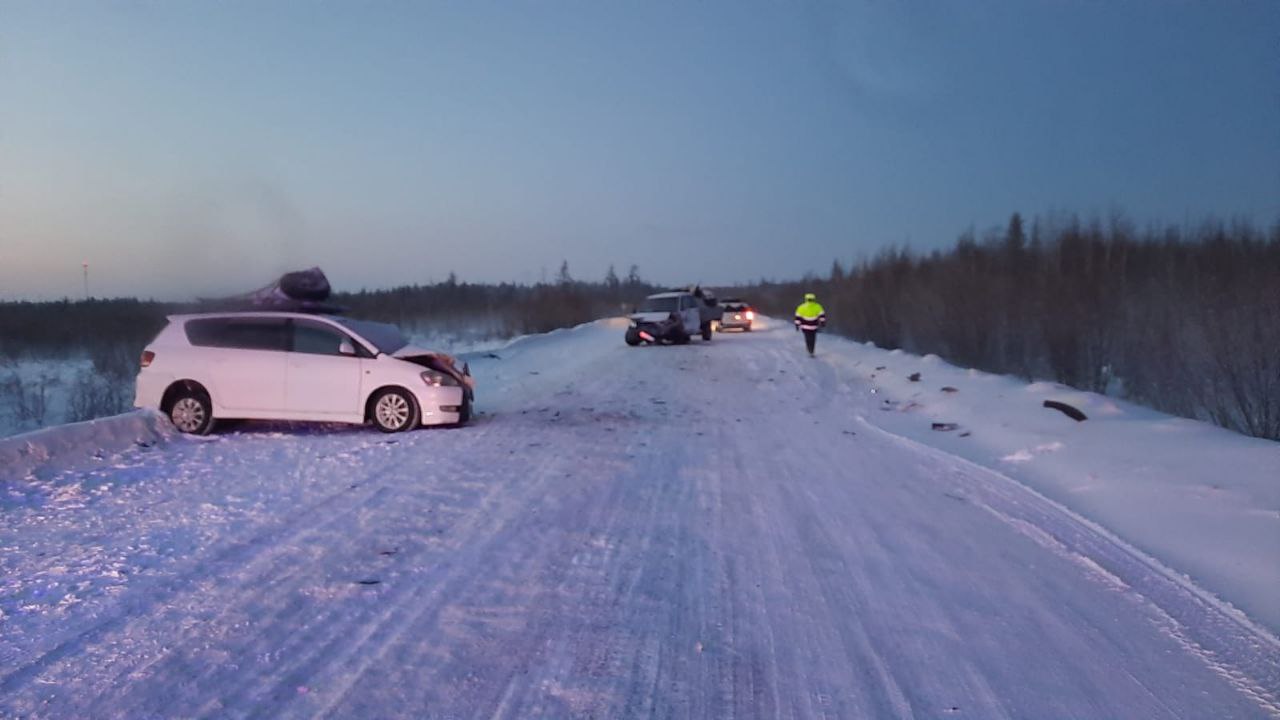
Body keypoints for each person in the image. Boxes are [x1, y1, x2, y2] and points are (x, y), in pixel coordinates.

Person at [793, 292, 826, 356]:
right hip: (814, 326)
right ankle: (812, 350)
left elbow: (798, 317)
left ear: (806, 299)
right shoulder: (818, 306)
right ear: (814, 299)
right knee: (813, 338)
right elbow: (822, 315)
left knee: (807, 338)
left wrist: (797, 325)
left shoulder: (801, 307)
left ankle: (809, 350)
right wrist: (823, 323)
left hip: (805, 326)